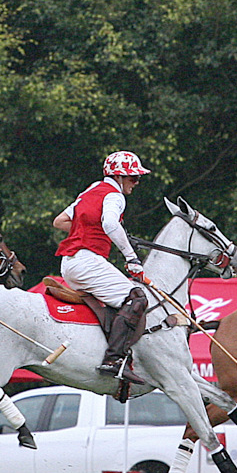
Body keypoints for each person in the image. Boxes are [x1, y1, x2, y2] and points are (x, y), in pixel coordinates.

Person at [52, 151, 151, 385]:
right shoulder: (115, 196)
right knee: (137, 298)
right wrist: (132, 258)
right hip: (87, 262)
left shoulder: (92, 189)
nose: (136, 183)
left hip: (69, 263)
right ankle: (114, 359)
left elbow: (60, 221)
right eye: (133, 178)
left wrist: (90, 232)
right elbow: (109, 223)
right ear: (118, 177)